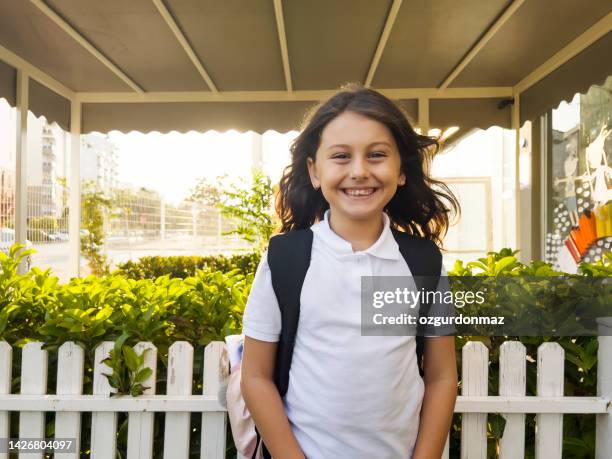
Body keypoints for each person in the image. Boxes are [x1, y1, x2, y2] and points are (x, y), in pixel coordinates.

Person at [240, 83, 460, 459]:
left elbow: (441, 377)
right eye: (341, 156)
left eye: (376, 155)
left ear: (402, 170)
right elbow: (255, 377)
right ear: (314, 170)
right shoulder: (285, 259)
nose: (359, 171)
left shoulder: (423, 262)